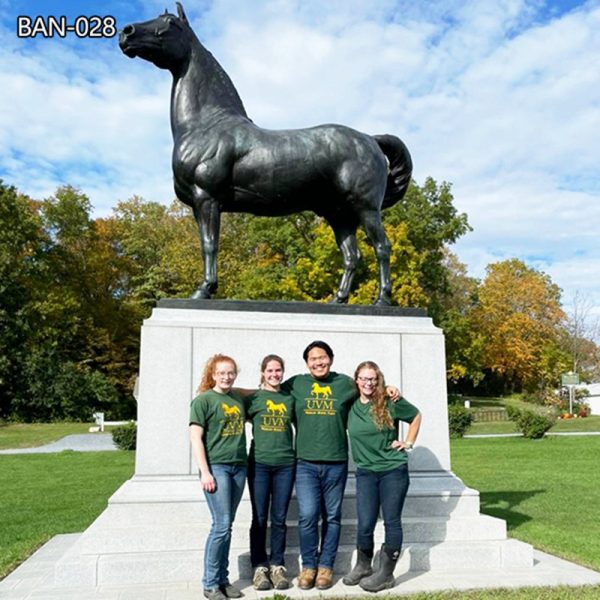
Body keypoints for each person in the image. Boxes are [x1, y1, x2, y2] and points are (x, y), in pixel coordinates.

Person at [280, 341, 399, 591]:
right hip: (305, 463)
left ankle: (326, 567)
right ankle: (309, 566)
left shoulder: (344, 383)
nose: (318, 362)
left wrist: (389, 388)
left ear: (331, 359)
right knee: (308, 516)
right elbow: (268, 390)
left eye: (322, 357)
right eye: (313, 359)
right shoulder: (295, 384)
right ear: (306, 363)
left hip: (336, 462)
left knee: (332, 517)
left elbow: (369, 388)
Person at [343, 361, 422, 592]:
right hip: (366, 472)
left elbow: (416, 416)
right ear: (356, 380)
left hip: (392, 470)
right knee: (365, 522)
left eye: (372, 379)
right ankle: (363, 566)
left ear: (378, 380)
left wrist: (408, 442)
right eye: (364, 378)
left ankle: (386, 574)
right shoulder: (350, 404)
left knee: (391, 521)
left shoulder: (389, 401)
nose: (368, 383)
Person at [189, 354, 247, 600]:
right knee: (221, 525)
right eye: (222, 373)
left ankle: (223, 579)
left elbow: (255, 391)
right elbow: (195, 437)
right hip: (217, 468)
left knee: (228, 525)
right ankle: (210, 583)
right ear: (213, 374)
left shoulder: (236, 397)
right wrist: (205, 472)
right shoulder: (203, 400)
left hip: (239, 467)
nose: (226, 377)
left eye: (231, 372)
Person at [245, 355, 295, 591]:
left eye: (278, 371)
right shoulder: (253, 398)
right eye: (270, 371)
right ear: (262, 372)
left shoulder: (289, 398)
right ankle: (259, 567)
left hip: (286, 464)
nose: (275, 375)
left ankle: (277, 566)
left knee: (279, 518)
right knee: (259, 518)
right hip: (259, 464)